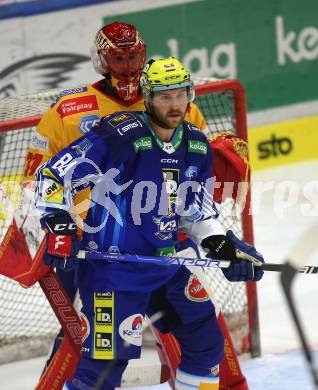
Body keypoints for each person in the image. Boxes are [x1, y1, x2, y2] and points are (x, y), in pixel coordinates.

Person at [34, 57, 265, 390]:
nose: (174, 104)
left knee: (207, 343)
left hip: (165, 264)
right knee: (102, 370)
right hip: (113, 271)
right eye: (164, 96)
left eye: (180, 95)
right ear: (148, 97)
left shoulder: (197, 145)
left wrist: (223, 245)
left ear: (191, 95)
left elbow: (196, 213)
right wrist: (56, 220)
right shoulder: (120, 133)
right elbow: (53, 174)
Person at [23, 21, 208, 372]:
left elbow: (196, 169)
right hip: (82, 241)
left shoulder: (166, 98)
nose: (128, 66)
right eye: (118, 58)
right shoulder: (69, 109)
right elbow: (37, 177)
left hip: (154, 237)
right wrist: (56, 225)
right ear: (102, 61)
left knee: (194, 328)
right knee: (84, 333)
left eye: (133, 56)